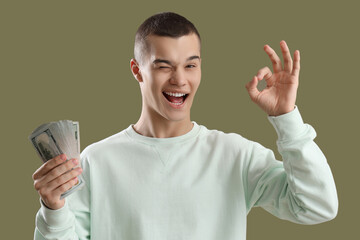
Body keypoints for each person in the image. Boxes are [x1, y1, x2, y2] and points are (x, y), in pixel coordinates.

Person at [32, 12, 338, 240]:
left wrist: (287, 118)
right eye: (164, 66)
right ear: (138, 71)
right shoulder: (95, 161)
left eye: (190, 65)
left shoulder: (236, 155)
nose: (180, 80)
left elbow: (317, 206)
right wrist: (53, 208)